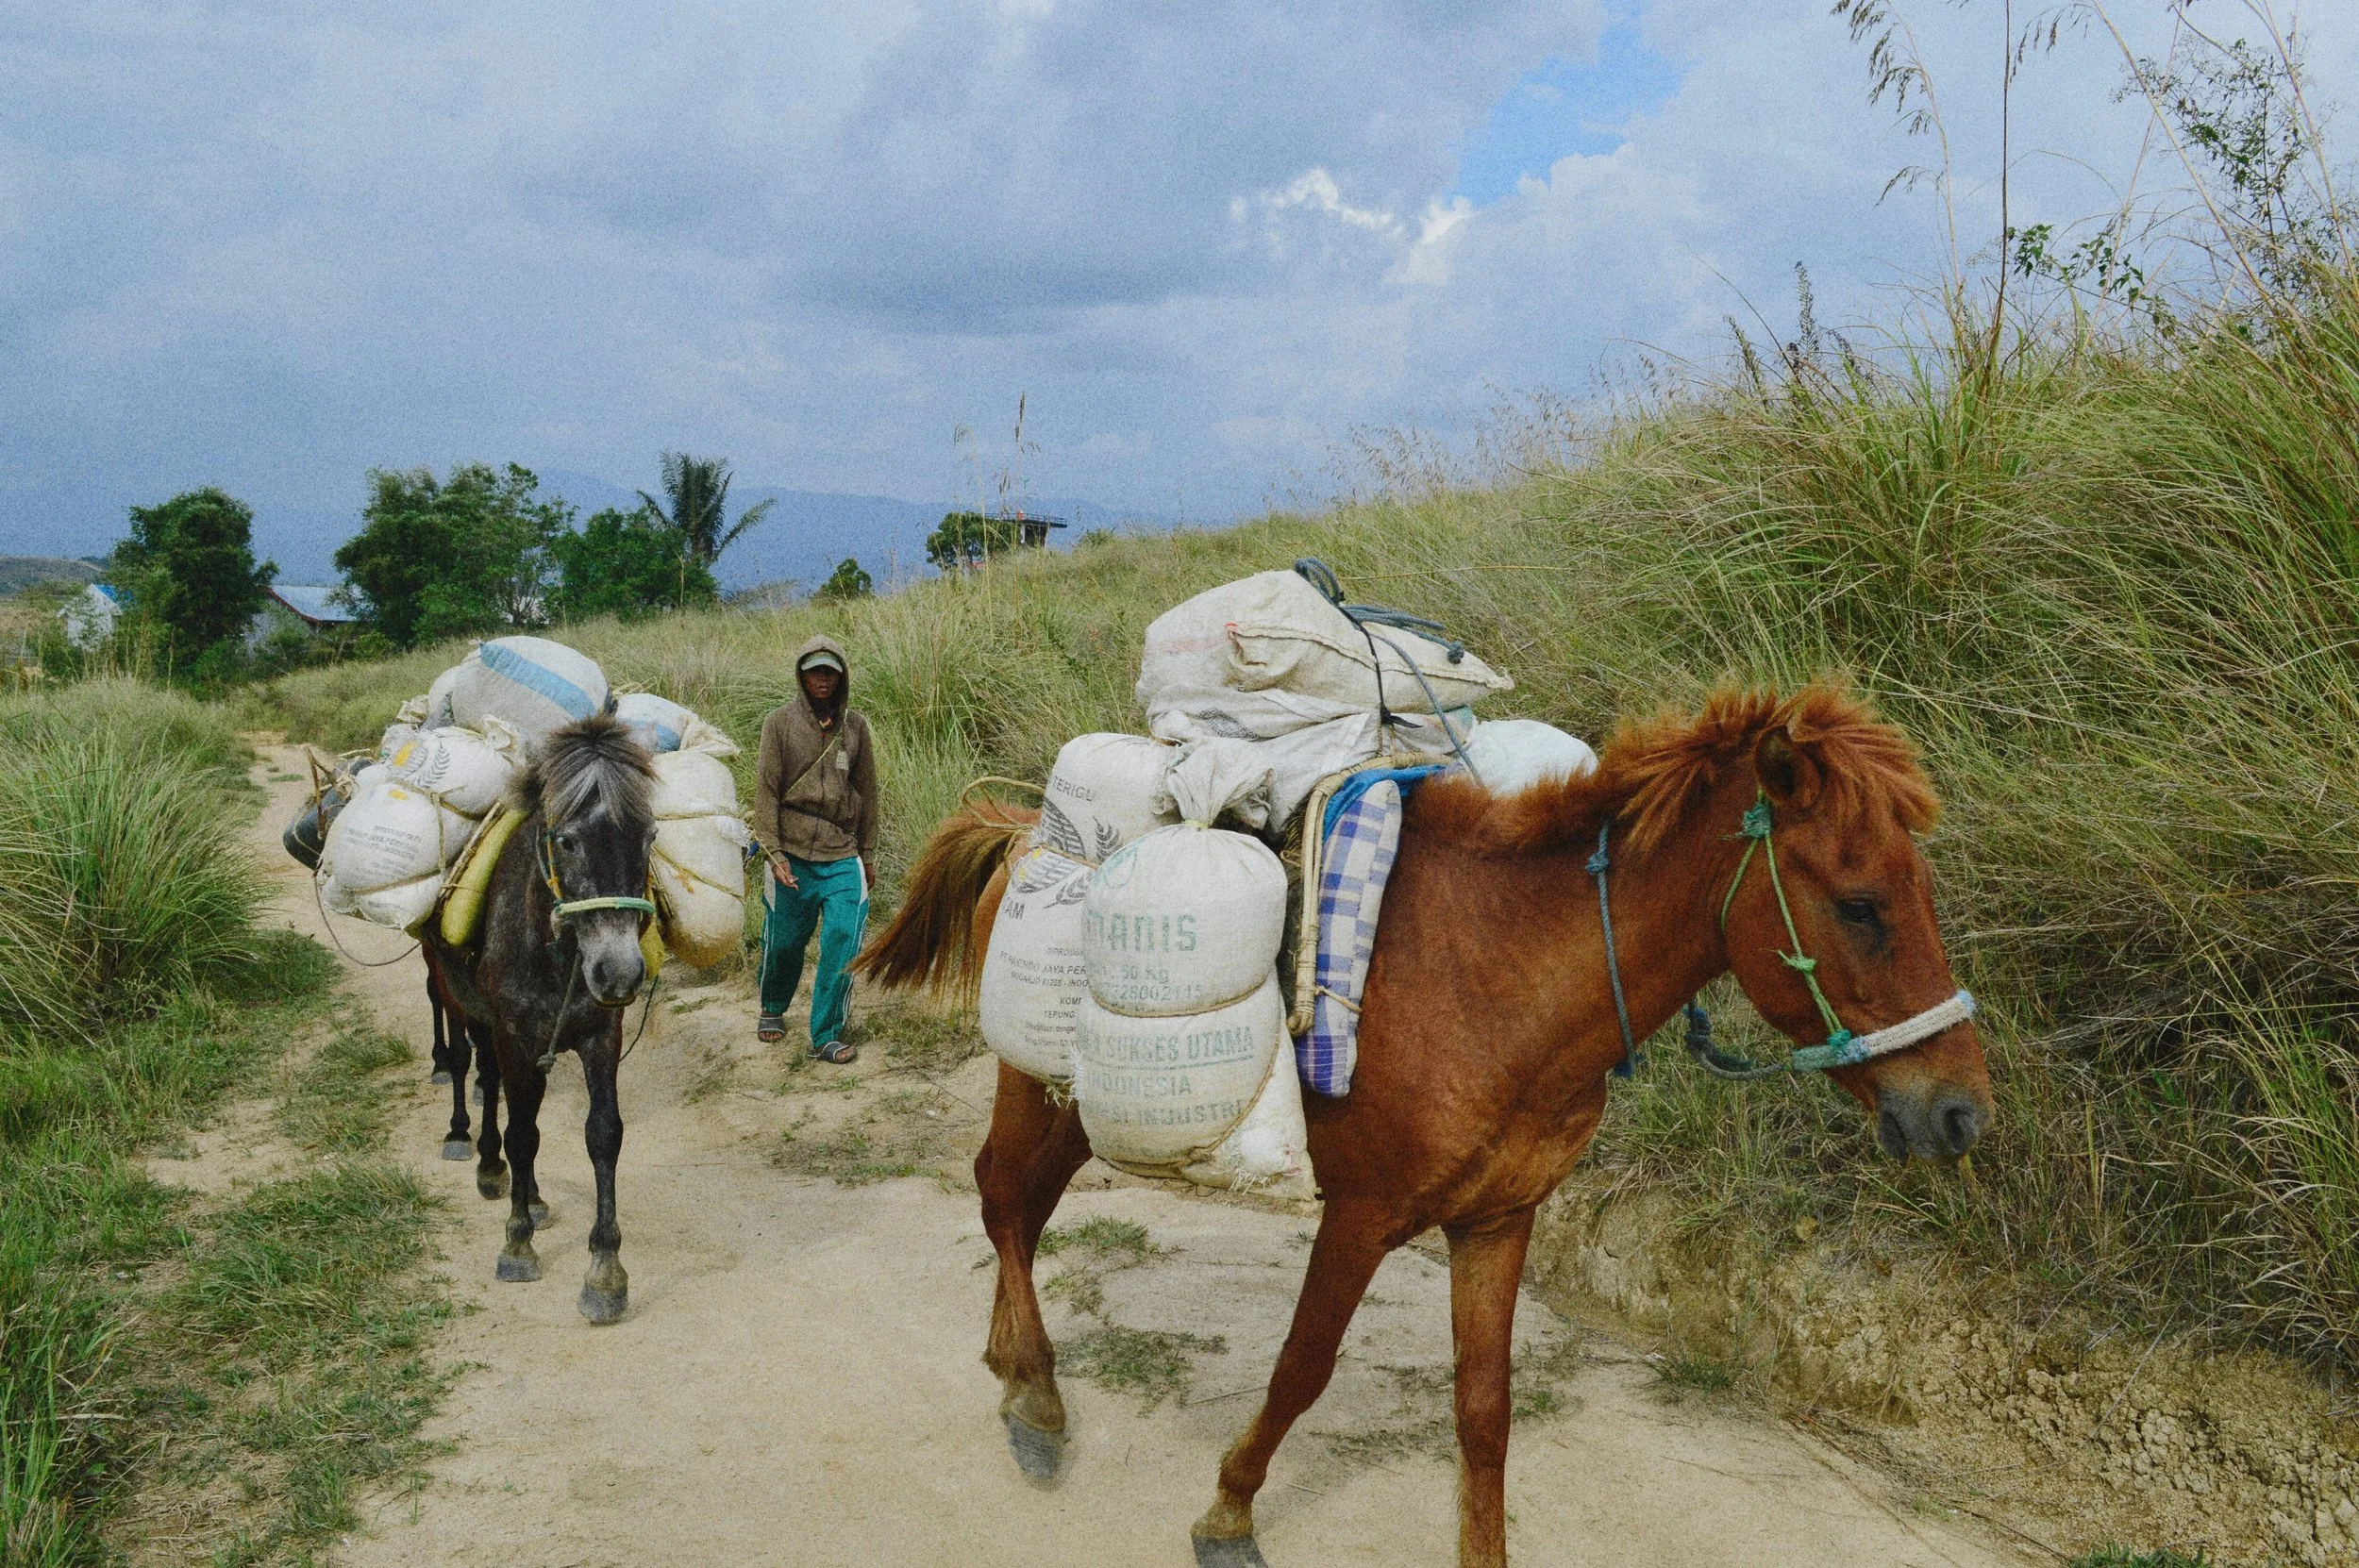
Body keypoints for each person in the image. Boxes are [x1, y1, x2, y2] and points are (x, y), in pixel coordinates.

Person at [751, 635, 878, 1063]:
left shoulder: (856, 727)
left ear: (841, 677)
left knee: (844, 936)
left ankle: (825, 1033)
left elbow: (867, 792)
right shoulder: (778, 724)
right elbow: (765, 794)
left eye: (830, 672)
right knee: (785, 941)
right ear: (801, 676)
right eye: (814, 672)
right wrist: (774, 854)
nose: (822, 680)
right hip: (791, 851)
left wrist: (869, 853)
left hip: (842, 850)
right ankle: (772, 1007)